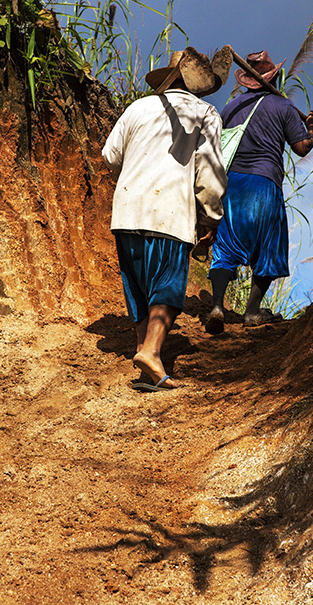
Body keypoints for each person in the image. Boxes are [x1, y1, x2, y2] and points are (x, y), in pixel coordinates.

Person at [102, 47, 228, 391]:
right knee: (168, 287)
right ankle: (152, 354)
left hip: (127, 210)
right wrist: (211, 217)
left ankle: (146, 355)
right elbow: (211, 173)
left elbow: (110, 156)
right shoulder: (205, 113)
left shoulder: (138, 107)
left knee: (139, 287)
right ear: (198, 84)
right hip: (169, 213)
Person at [205, 49, 313, 334]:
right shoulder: (282, 107)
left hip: (232, 185)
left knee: (226, 245)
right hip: (265, 184)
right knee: (269, 247)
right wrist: (311, 130)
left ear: (246, 81)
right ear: (275, 77)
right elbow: (301, 148)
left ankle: (217, 306)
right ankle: (252, 313)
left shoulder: (230, 108)